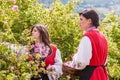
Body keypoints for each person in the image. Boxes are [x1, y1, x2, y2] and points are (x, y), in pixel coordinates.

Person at [64, 9, 108, 80]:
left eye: (81, 19)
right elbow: (105, 60)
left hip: (90, 75)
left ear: (89, 21)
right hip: (102, 74)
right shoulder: (103, 36)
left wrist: (75, 57)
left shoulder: (87, 37)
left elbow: (81, 63)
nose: (79, 22)